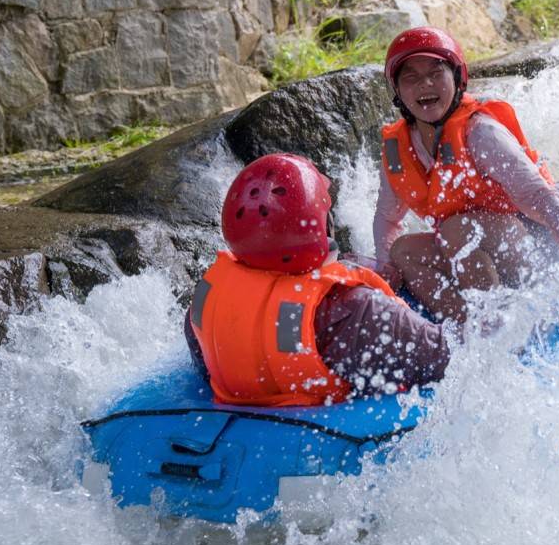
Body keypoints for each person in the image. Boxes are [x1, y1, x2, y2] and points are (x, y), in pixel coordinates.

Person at [372, 26, 559, 323]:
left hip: (526, 248)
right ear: (397, 91)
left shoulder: (481, 131)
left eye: (436, 73)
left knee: (455, 229)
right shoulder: (397, 150)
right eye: (411, 77)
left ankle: (494, 327)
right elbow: (387, 219)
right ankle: (464, 330)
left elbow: (541, 197)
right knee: (404, 250)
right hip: (466, 249)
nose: (425, 84)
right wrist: (384, 273)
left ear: (457, 79)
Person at [185, 153, 450, 407]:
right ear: (321, 224)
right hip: (330, 428)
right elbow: (448, 360)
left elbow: (205, 367)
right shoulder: (359, 310)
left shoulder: (205, 299)